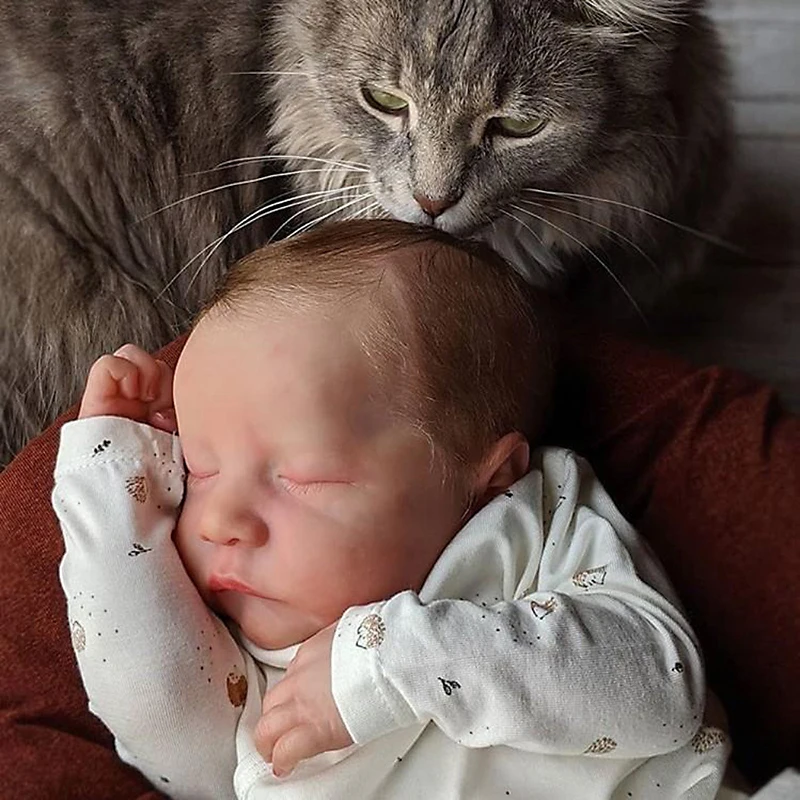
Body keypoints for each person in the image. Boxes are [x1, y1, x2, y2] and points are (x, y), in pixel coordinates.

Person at [53, 219, 731, 800]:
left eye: (302, 476)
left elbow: (663, 687)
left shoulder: (530, 531)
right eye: (198, 469)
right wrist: (112, 492)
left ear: (491, 479)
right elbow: (163, 728)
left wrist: (394, 662)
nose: (218, 519)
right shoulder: (242, 661)